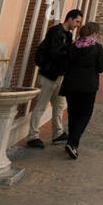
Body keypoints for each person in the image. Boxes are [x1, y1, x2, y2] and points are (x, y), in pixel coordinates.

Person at [27, 8, 82, 148]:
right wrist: (71, 48)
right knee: (41, 106)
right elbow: (54, 53)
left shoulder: (68, 35)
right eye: (77, 21)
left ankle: (58, 134)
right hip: (49, 75)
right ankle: (32, 136)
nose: (77, 25)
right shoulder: (55, 32)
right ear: (70, 18)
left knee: (59, 105)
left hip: (60, 76)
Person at [61, 21, 103, 160]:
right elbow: (101, 67)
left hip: (70, 85)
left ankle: (70, 141)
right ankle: (73, 143)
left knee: (73, 113)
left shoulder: (73, 46)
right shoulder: (97, 48)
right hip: (88, 87)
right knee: (85, 114)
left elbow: (66, 63)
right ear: (93, 33)